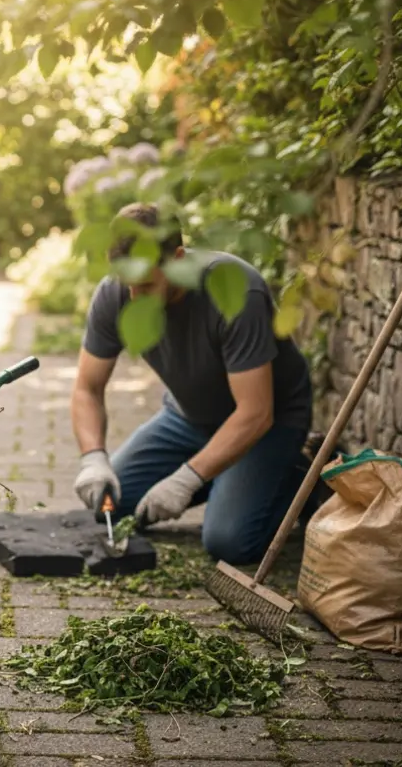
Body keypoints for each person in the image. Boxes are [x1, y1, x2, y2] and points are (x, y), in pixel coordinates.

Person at [70, 202, 314, 565]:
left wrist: (187, 479)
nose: (134, 298)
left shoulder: (235, 294)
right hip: (187, 419)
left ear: (179, 259)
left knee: (228, 542)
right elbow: (87, 388)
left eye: (147, 285)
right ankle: (226, 480)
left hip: (268, 426)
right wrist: (93, 459)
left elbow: (256, 413)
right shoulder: (115, 294)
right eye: (127, 284)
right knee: (110, 506)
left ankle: (300, 474)